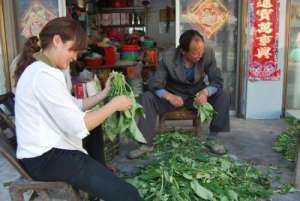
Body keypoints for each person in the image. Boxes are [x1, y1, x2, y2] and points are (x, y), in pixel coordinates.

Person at [14, 17, 143, 201]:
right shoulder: (43, 75)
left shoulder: (44, 69)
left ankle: (99, 179)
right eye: (72, 50)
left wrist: (105, 93)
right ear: (57, 41)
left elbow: (74, 106)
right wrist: (113, 105)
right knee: (129, 195)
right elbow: (77, 125)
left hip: (47, 152)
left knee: (95, 126)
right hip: (45, 159)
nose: (74, 57)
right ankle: (102, 183)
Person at [128, 29, 230, 158]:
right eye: (195, 53)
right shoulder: (168, 57)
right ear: (183, 52)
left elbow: (217, 81)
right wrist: (168, 96)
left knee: (223, 95)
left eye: (201, 52)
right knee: (147, 97)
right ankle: (145, 144)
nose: (199, 55)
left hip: (197, 96)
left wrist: (205, 92)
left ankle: (213, 138)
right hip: (174, 96)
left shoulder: (207, 53)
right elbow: (154, 84)